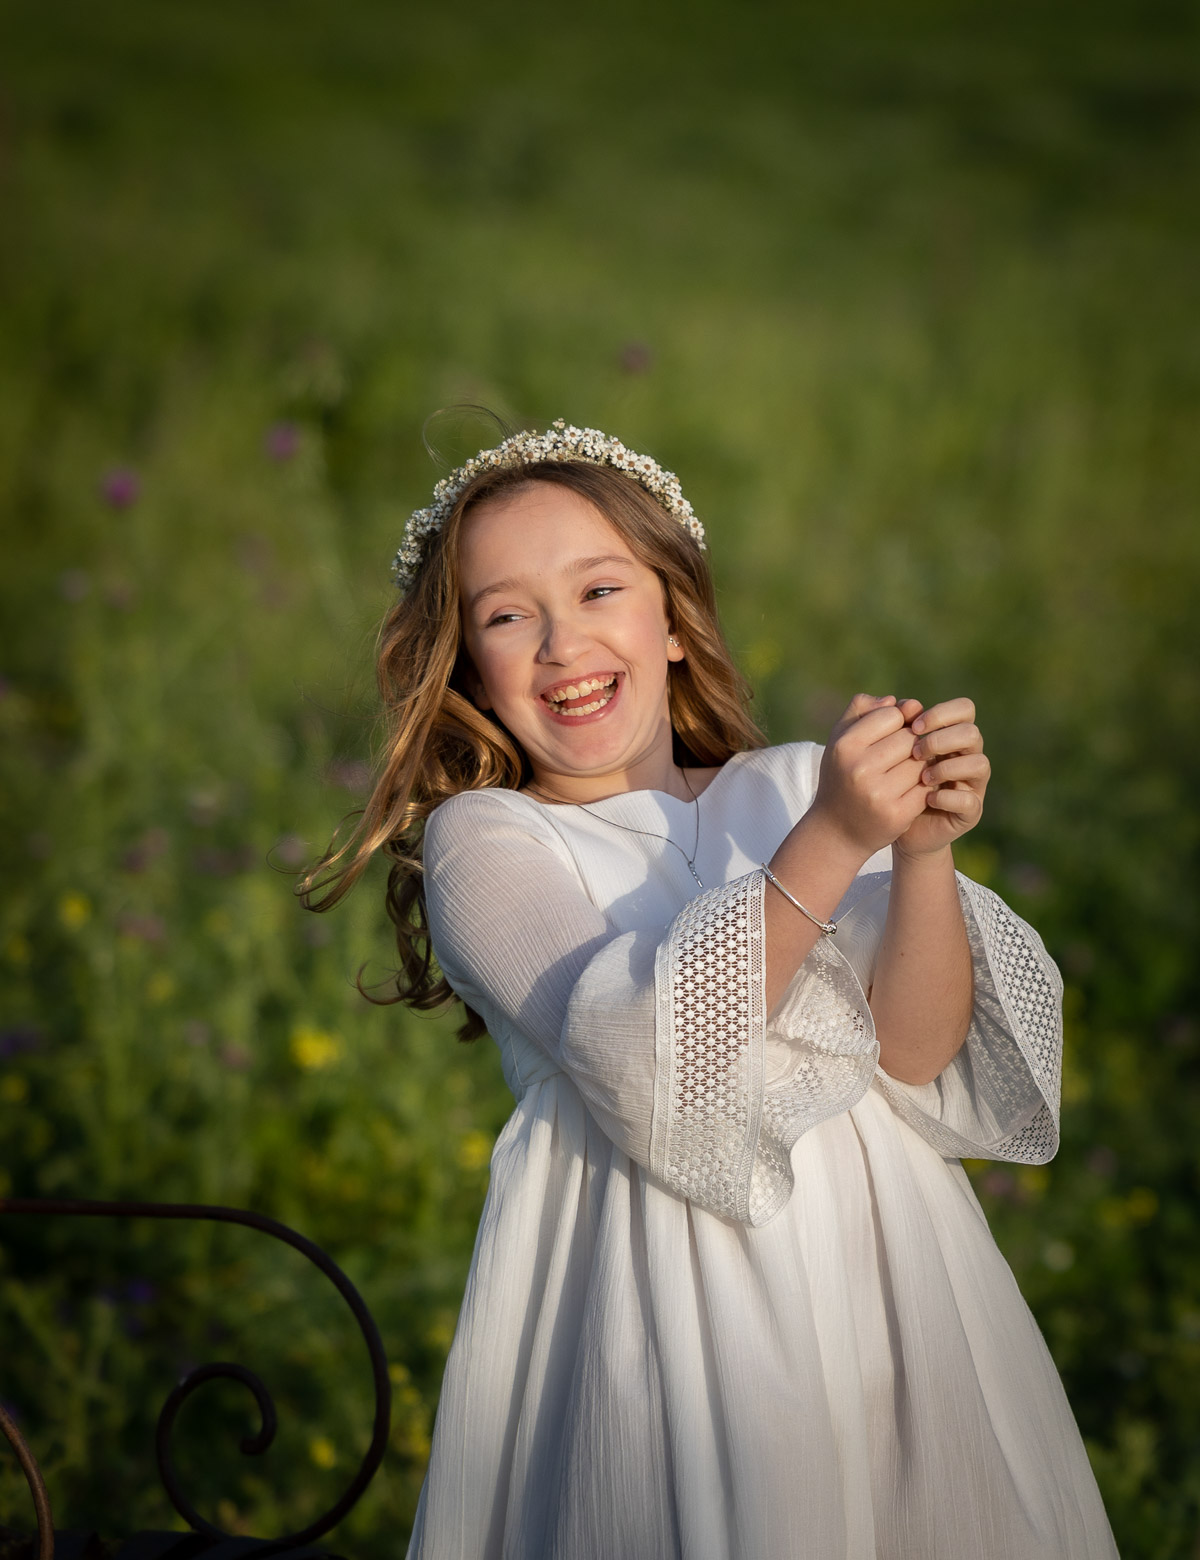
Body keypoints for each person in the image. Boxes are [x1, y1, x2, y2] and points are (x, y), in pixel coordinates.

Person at [306, 421, 1117, 1559]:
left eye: (598, 590)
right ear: (467, 668)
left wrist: (923, 848)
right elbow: (647, 1064)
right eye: (506, 615)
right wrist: (838, 836)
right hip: (651, 1304)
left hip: (882, 1283)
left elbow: (919, 1055)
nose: (560, 642)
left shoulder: (788, 784)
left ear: (674, 619)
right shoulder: (489, 841)